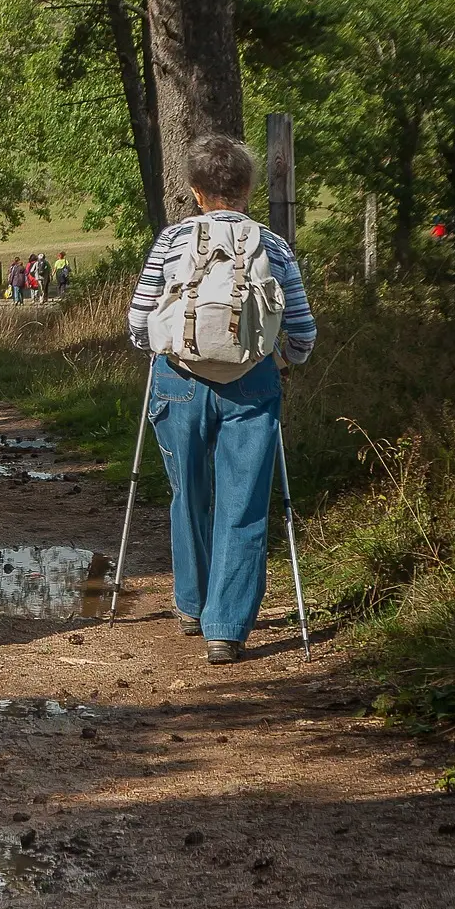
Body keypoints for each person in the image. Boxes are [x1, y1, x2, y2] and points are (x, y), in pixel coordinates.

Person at [127, 135, 317, 665]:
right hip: (253, 383)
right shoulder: (274, 247)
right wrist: (283, 362)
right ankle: (226, 628)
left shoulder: (170, 242)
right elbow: (302, 332)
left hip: (178, 380)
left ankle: (191, 602)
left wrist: (160, 349)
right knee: (245, 503)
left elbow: (139, 322)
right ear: (249, 189)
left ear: (194, 191)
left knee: (188, 490)